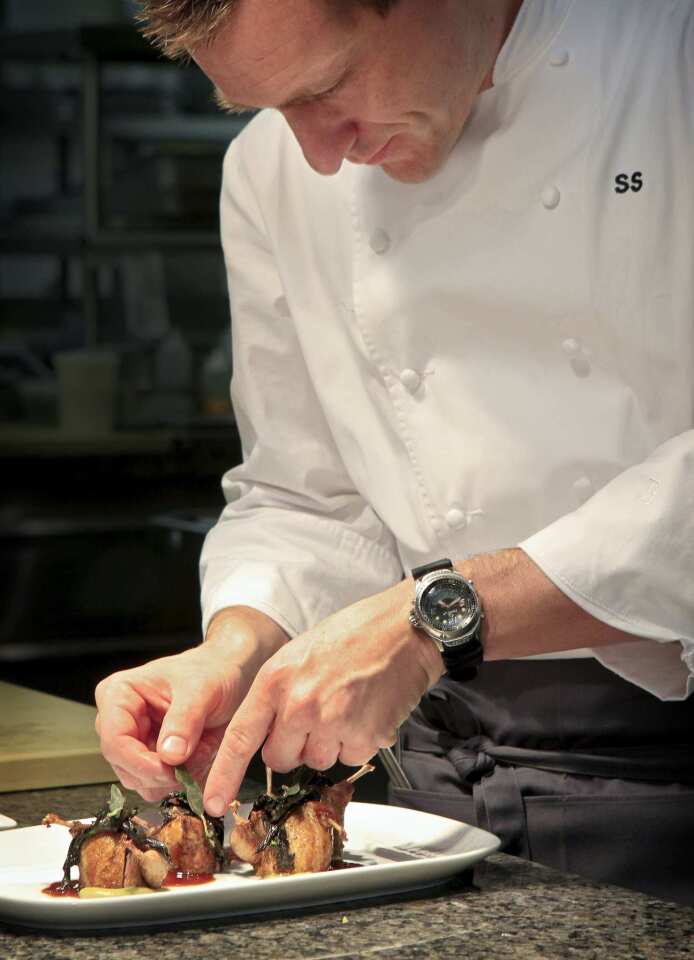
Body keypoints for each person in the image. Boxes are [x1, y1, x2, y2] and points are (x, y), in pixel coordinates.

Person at [95, 0, 694, 903]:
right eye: (266, 108)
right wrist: (239, 647)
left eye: (328, 85)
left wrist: (431, 621)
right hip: (429, 799)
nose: (317, 154)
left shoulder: (670, 57)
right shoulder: (270, 171)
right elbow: (307, 496)